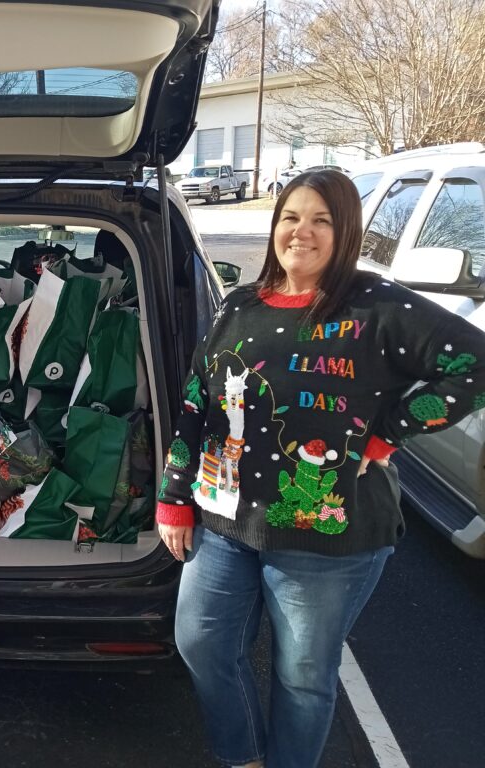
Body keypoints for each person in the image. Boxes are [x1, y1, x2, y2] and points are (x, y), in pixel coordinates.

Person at [155, 169, 485, 768]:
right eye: (290, 217)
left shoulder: (378, 306)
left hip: (328, 539)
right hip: (226, 521)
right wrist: (174, 495)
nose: (301, 232)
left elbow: (476, 365)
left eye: (321, 220)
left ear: (345, 232)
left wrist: (385, 435)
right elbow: (197, 403)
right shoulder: (240, 305)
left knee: (302, 676)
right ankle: (244, 757)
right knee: (200, 641)